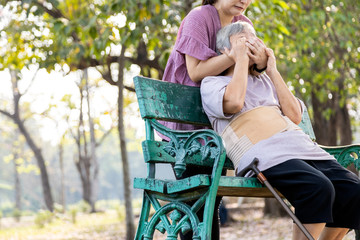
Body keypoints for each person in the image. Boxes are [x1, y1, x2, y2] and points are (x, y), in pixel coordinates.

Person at [200, 21, 360, 240]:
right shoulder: (211, 83)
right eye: (242, 42)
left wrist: (272, 69)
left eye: (255, 41)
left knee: (354, 191)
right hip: (262, 154)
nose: (251, 46)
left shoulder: (264, 80)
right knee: (318, 188)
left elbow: (295, 116)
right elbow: (235, 103)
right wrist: (238, 60)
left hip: (299, 147)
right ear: (224, 51)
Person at [161, 1, 267, 239]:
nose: (243, 0)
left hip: (220, 124)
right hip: (188, 131)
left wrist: (260, 63)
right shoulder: (199, 17)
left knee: (211, 203)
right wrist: (235, 55)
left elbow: (250, 68)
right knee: (195, 205)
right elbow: (196, 72)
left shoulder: (244, 24)